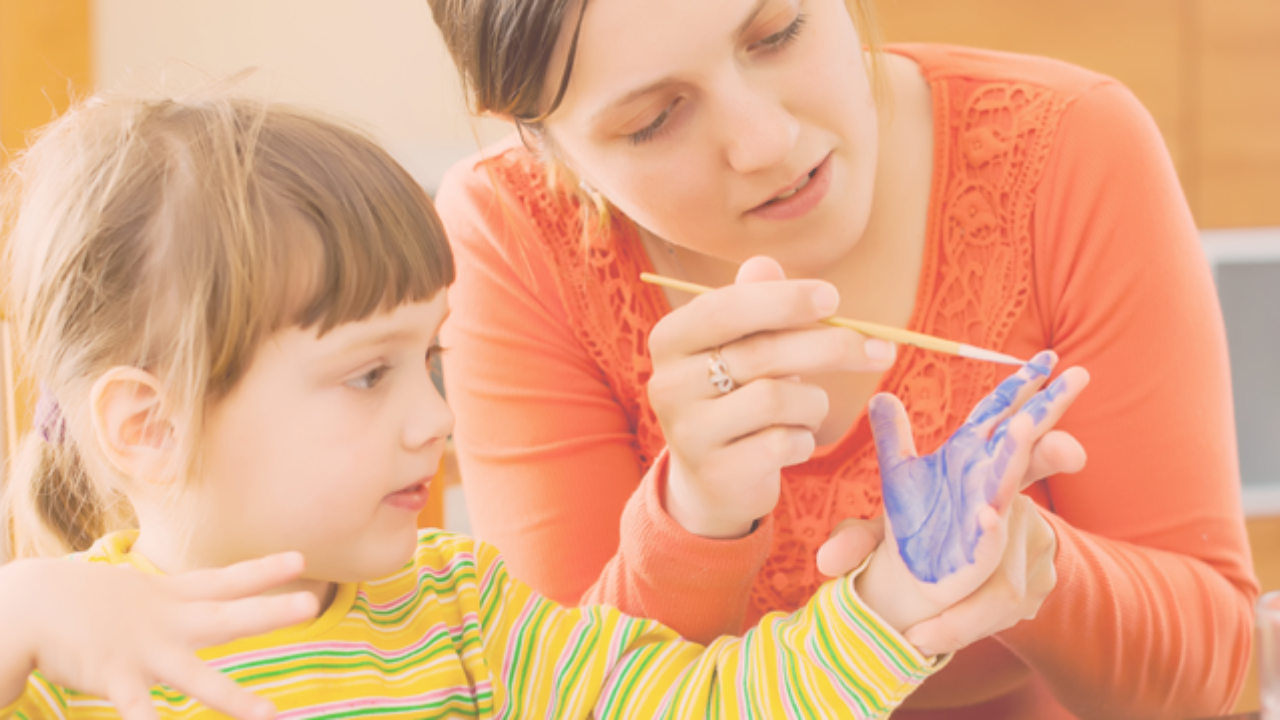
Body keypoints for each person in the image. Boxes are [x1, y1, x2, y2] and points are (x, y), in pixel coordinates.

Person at [0, 92, 1083, 719]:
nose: (434, 420)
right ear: (144, 424)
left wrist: (894, 597)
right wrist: (24, 616)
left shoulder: (466, 612)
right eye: (366, 374)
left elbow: (699, 705)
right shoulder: (66, 669)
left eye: (429, 359)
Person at [427, 0, 1259, 716]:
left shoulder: (1070, 144)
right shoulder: (509, 237)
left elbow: (1218, 670)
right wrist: (695, 515)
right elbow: (562, 699)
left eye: (778, 32)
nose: (767, 141)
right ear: (543, 146)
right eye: (654, 119)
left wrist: (1029, 561)